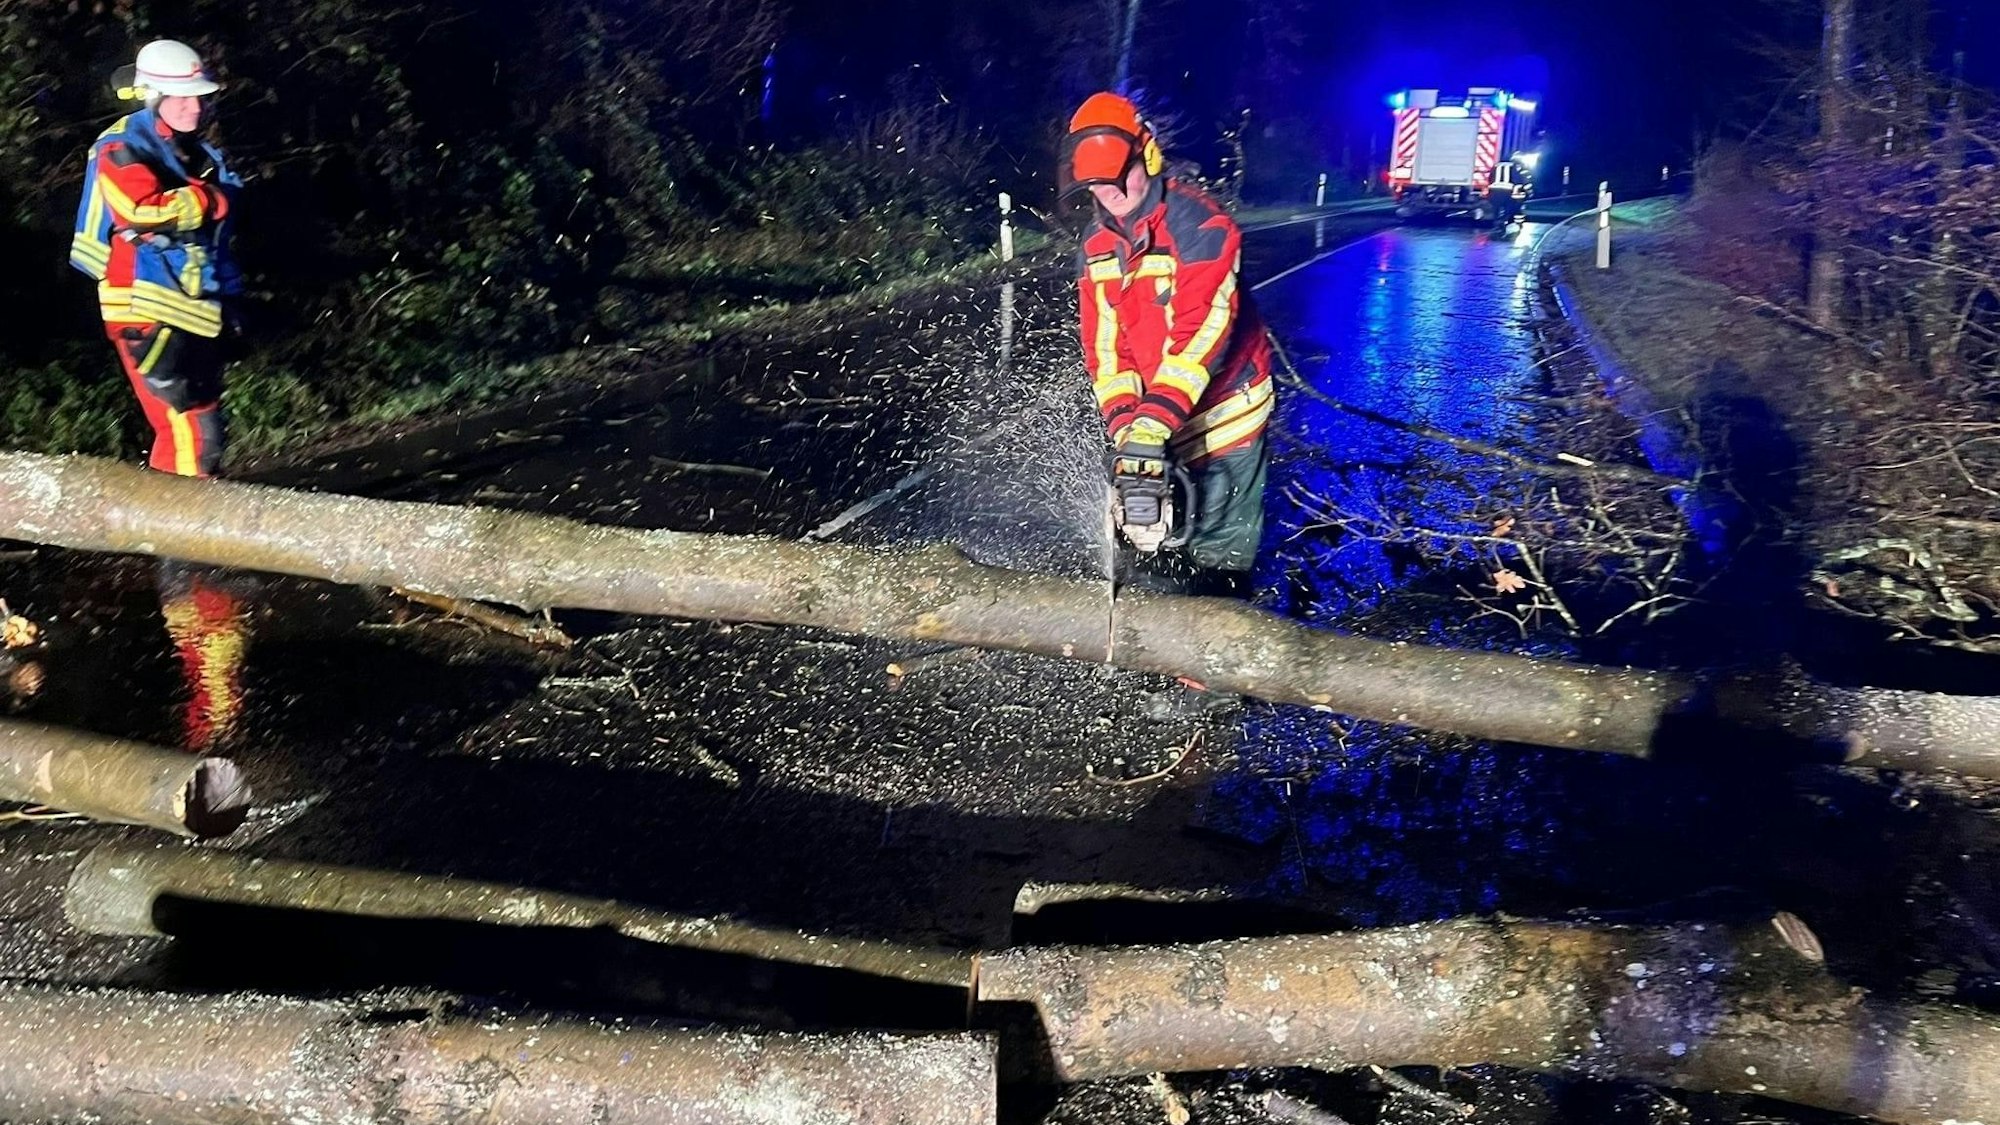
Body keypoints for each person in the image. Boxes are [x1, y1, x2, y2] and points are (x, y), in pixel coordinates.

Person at [1063, 92, 1273, 593]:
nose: (1110, 192)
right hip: (1155, 417)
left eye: (1120, 175)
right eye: (1097, 183)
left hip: (1226, 414)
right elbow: (1106, 351)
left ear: (1149, 157)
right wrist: (1126, 428)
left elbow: (1201, 336)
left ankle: (1224, 629)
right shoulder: (1095, 248)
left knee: (1219, 555)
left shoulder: (1202, 227)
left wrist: (1150, 425)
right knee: (1154, 548)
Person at [70, 38, 242, 478]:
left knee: (202, 427)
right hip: (143, 305)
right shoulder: (120, 146)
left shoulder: (197, 152)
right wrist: (208, 199)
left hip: (191, 306)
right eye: (182, 97)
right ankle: (186, 521)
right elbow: (139, 210)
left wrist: (232, 301)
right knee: (190, 431)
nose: (194, 107)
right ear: (153, 95)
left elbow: (218, 238)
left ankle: (182, 519)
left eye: (198, 97)